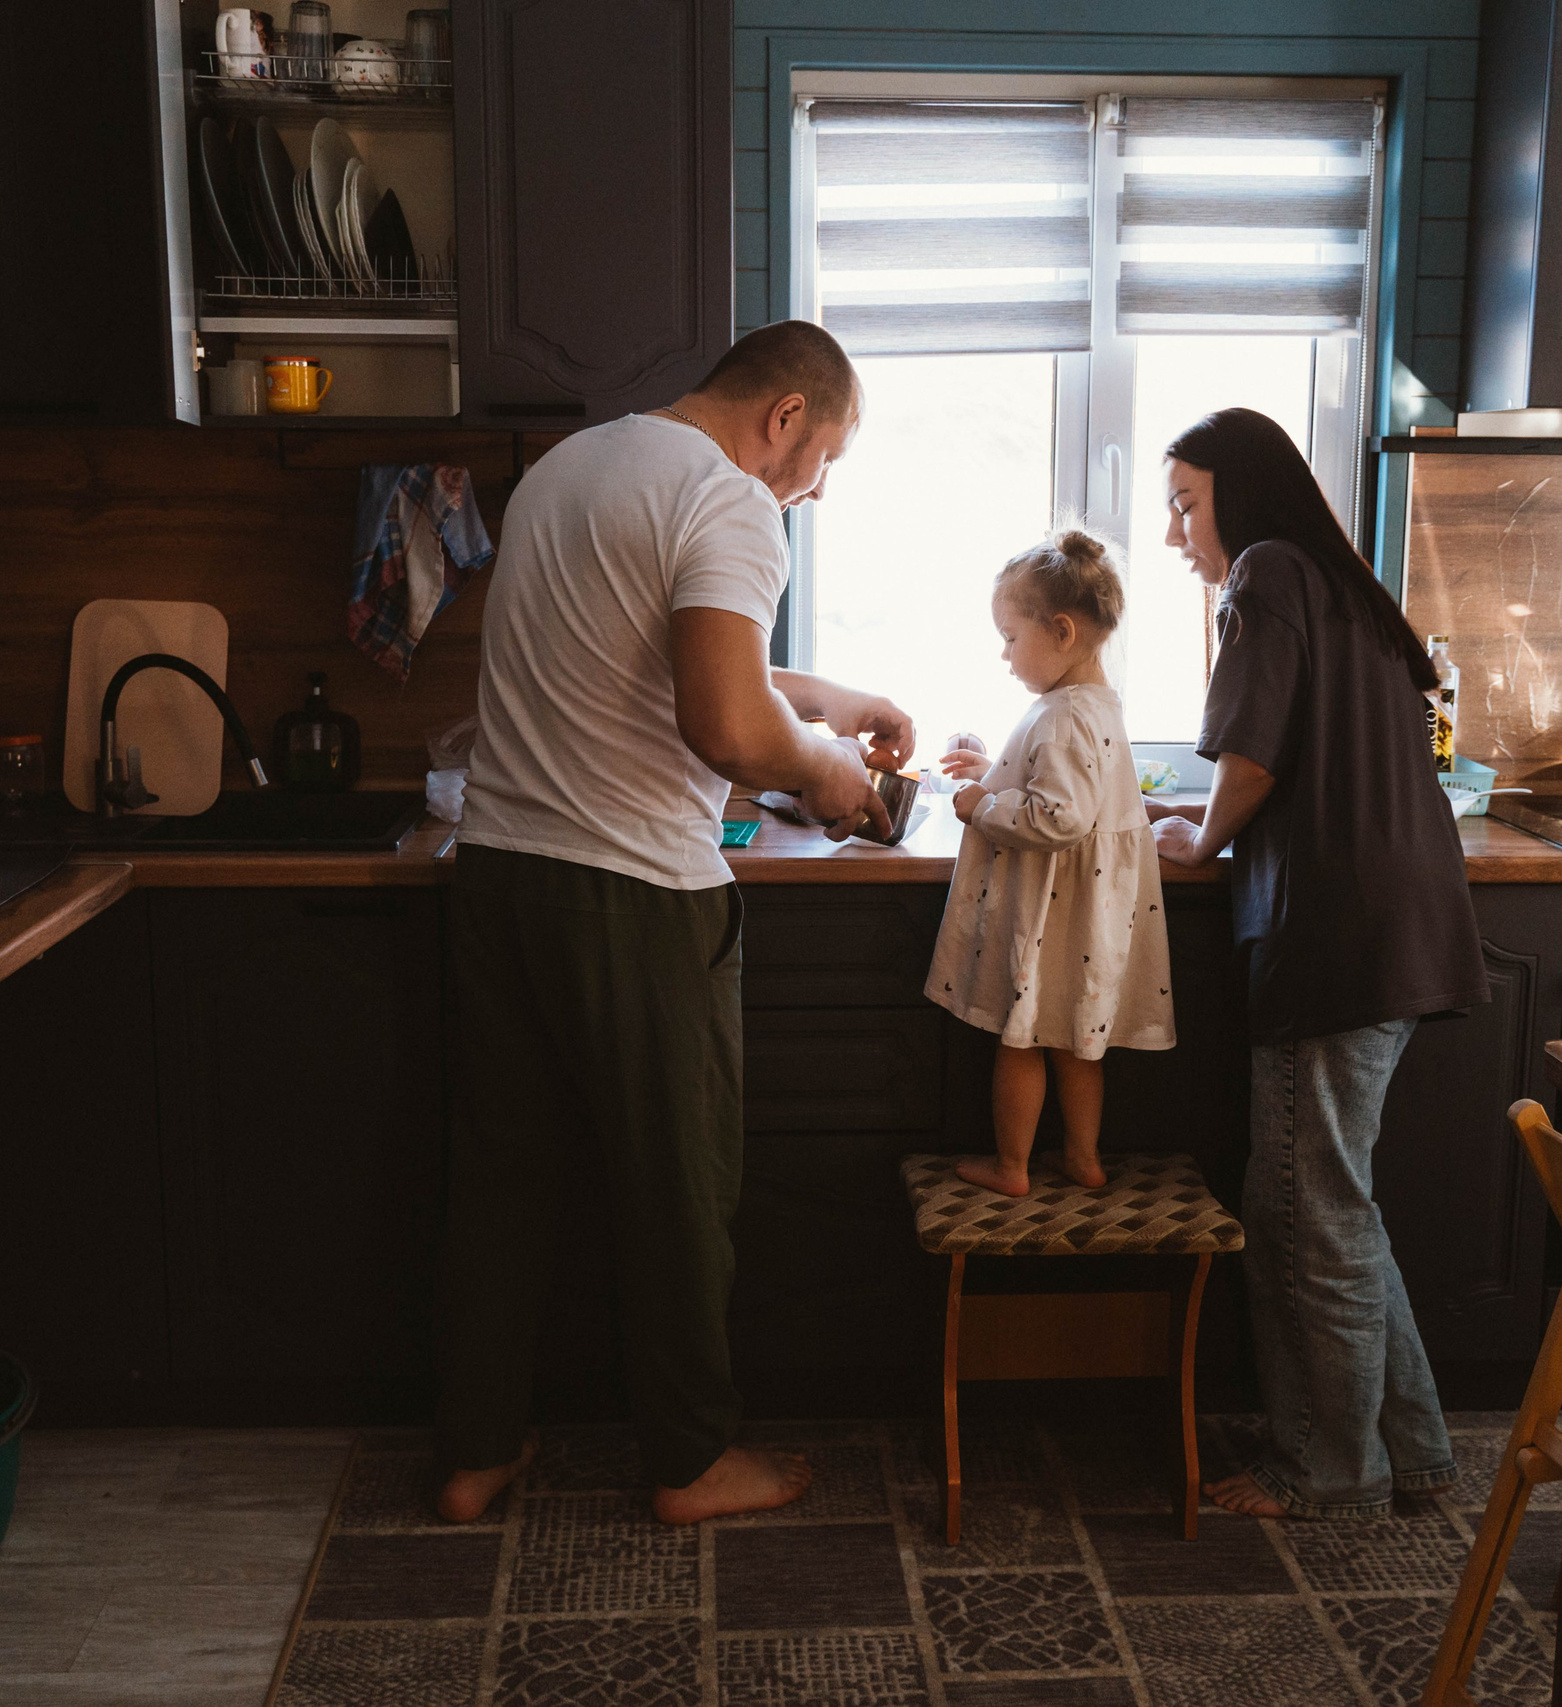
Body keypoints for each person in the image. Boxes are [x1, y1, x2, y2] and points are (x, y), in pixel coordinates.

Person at [433, 322, 915, 1526]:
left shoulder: (570, 467)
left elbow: (648, 659)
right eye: (826, 458)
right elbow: (726, 727)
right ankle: (691, 1464)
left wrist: (836, 698)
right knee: (676, 1194)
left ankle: (476, 1455)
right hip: (633, 898)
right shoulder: (730, 502)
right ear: (787, 416)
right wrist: (828, 776)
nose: (813, 490)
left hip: (499, 877)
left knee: (501, 1185)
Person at [1148, 408, 1486, 1521]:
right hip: (1396, 922)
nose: (1175, 532)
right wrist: (1201, 813)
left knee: (1307, 1210)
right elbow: (1296, 757)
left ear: (1239, 497)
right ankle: (1417, 1452)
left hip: (1335, 932)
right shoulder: (1340, 586)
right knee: (1328, 1199)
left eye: (1184, 502)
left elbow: (1251, 755)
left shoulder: (1262, 573)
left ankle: (1332, 1468)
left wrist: (1198, 837)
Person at [927, 531, 1175, 1197]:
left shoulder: (1060, 715)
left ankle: (1012, 1167)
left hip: (1051, 916)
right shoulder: (1099, 706)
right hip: (1089, 921)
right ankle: (1084, 1157)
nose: (1003, 655)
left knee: (1022, 1039)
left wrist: (980, 804)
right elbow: (1066, 790)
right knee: (1077, 1042)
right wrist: (997, 772)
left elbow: (1059, 817)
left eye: (1010, 637)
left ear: (1062, 631)